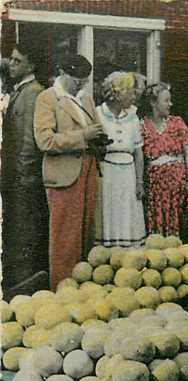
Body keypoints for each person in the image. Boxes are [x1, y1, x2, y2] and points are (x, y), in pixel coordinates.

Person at [34, 54, 103, 289]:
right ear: (62, 72)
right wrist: (83, 136)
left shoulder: (86, 99)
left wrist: (99, 138)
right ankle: (62, 290)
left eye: (84, 81)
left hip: (88, 169)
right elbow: (44, 141)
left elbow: (95, 129)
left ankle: (82, 288)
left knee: (86, 234)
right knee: (65, 237)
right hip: (63, 174)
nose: (81, 85)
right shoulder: (47, 98)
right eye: (76, 80)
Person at [1, 41, 48, 293]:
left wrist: (23, 178)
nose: (11, 64)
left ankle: (23, 288)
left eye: (18, 61)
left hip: (23, 180)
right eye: (11, 59)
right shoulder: (19, 90)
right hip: (13, 177)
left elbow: (29, 142)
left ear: (32, 65)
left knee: (24, 233)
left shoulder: (32, 93)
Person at [95, 71, 146, 248]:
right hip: (106, 173)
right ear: (117, 93)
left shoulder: (133, 116)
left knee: (127, 214)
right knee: (108, 213)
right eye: (131, 91)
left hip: (128, 174)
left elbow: (138, 152)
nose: (134, 95)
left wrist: (139, 182)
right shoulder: (97, 114)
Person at [139, 82, 188, 237]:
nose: (170, 104)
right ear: (153, 103)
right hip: (155, 185)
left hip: (177, 183)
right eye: (166, 100)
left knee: (177, 222)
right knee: (156, 222)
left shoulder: (177, 122)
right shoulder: (142, 126)